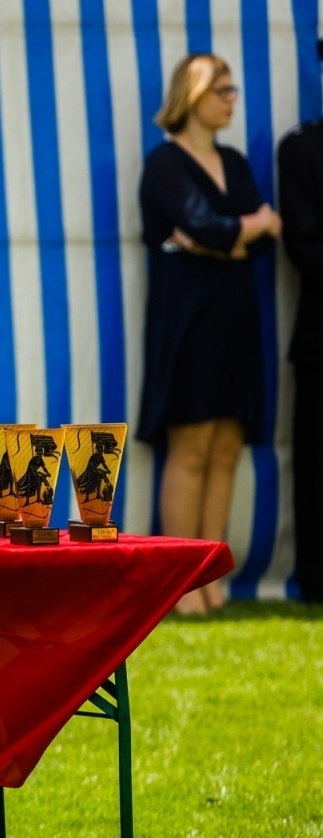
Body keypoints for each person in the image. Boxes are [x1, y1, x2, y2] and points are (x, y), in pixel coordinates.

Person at [139, 54, 283, 614]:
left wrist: (226, 237)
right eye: (221, 88)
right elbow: (208, 226)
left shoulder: (235, 162)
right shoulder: (165, 166)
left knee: (226, 446)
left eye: (233, 88)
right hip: (189, 319)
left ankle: (210, 580)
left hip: (237, 316)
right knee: (192, 444)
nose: (231, 97)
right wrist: (236, 230)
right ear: (193, 93)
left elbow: (255, 236)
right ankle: (181, 583)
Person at [277, 45, 323, 602]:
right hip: (320, 340)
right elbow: (303, 242)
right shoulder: (303, 148)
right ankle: (317, 580)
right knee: (317, 466)